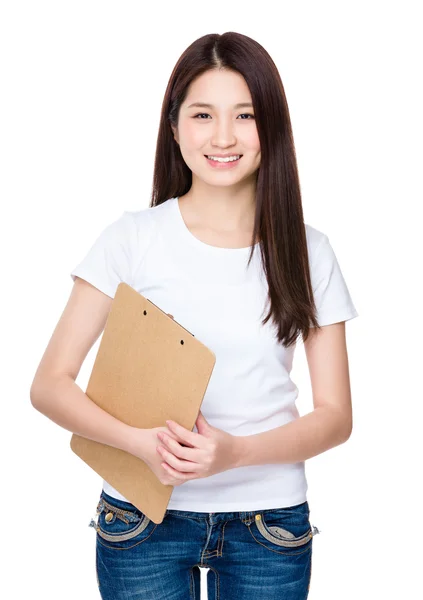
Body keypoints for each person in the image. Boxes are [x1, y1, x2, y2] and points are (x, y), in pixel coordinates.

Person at [30, 31, 358, 600]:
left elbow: (336, 417)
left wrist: (235, 454)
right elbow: (49, 386)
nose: (224, 137)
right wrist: (139, 444)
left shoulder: (308, 251)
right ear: (175, 125)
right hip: (141, 518)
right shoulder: (131, 240)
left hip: (268, 523)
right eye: (203, 114)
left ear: (273, 127)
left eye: (246, 115)